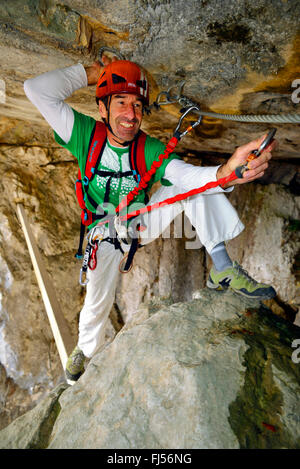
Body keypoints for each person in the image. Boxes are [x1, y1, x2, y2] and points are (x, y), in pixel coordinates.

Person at [24, 55, 277, 381]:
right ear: (102, 109)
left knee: (189, 186)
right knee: (96, 303)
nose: (131, 114)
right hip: (102, 234)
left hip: (139, 224)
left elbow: (185, 175)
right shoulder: (84, 133)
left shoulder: (148, 148)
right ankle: (85, 351)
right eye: (120, 102)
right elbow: (36, 90)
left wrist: (226, 172)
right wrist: (95, 74)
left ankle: (223, 268)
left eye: (138, 106)